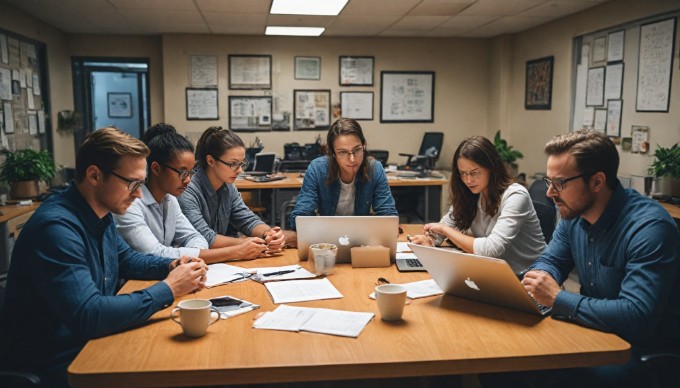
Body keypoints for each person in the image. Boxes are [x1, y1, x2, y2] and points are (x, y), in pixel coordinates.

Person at [0, 127, 208, 387]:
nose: (138, 194)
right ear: (95, 175)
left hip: (92, 343)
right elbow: (90, 315)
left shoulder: (100, 211)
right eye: (132, 184)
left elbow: (127, 260)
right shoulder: (56, 229)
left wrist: (172, 264)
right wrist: (169, 288)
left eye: (140, 184)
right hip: (58, 363)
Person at [497, 131, 679, 387]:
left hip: (639, 347)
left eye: (559, 183)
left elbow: (636, 317)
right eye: (548, 181)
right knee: (506, 363)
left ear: (597, 181)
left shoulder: (649, 228)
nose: (549, 193)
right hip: (592, 330)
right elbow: (551, 261)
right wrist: (542, 277)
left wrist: (557, 298)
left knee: (540, 375)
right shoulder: (574, 215)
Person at [115, 123, 259, 264]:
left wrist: (192, 257)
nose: (188, 180)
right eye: (183, 173)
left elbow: (196, 237)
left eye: (190, 173)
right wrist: (237, 250)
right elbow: (155, 253)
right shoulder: (130, 204)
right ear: (156, 169)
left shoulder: (170, 199)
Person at [410, 136, 545, 273]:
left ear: (491, 167)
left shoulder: (515, 196)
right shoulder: (472, 193)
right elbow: (444, 228)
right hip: (496, 271)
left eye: (475, 173)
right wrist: (430, 240)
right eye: (463, 173)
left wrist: (445, 230)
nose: (468, 180)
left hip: (530, 276)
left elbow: (490, 250)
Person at [178, 126, 286, 258]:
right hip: (187, 262)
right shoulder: (188, 190)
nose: (240, 170)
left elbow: (247, 219)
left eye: (241, 164)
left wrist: (268, 234)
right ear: (211, 161)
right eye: (233, 164)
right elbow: (204, 237)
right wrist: (243, 244)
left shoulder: (228, 187)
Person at [287, 118, 398, 239]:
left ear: (364, 145)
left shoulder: (374, 169)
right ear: (333, 154)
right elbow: (300, 216)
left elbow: (388, 216)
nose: (352, 159)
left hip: (362, 242)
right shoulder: (318, 169)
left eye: (357, 150)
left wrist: (387, 229)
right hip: (325, 241)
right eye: (342, 152)